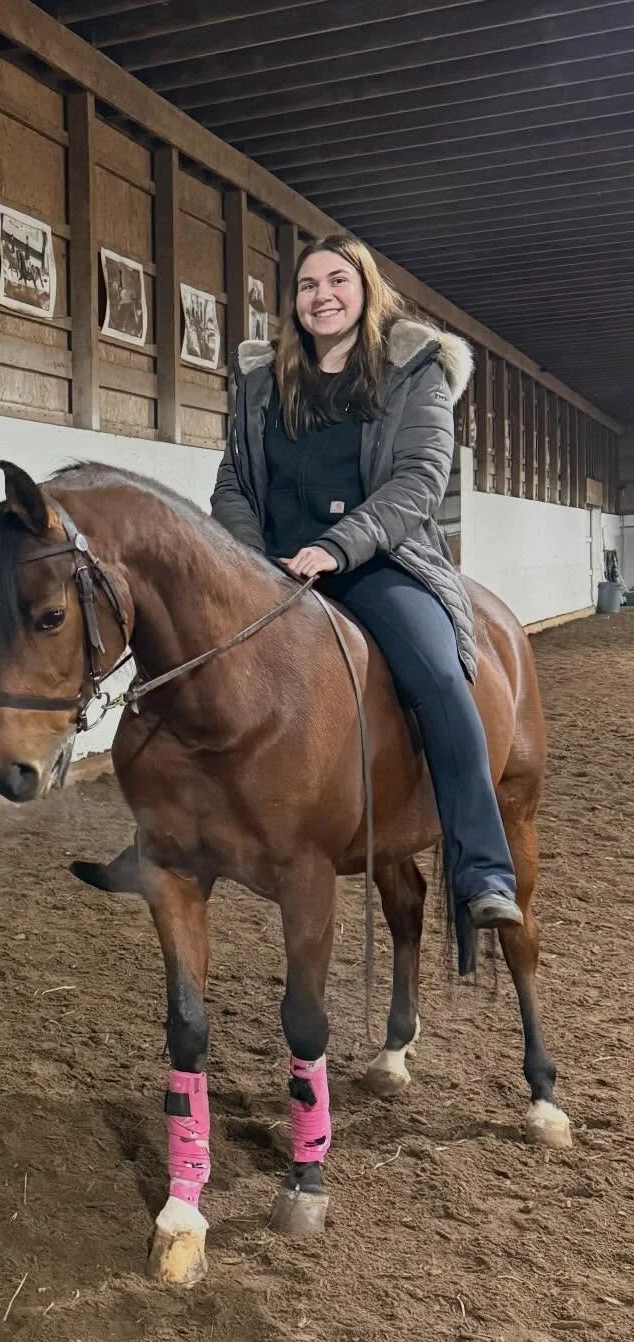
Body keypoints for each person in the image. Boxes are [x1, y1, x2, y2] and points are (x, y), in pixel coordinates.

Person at [211, 232, 522, 931]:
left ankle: (481, 868)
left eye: (337, 281)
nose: (321, 295)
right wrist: (248, 557)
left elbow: (418, 481)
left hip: (379, 561)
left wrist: (336, 547)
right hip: (272, 568)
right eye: (307, 285)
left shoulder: (414, 369)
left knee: (441, 679)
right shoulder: (263, 380)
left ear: (366, 290)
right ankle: (179, 835)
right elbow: (233, 480)